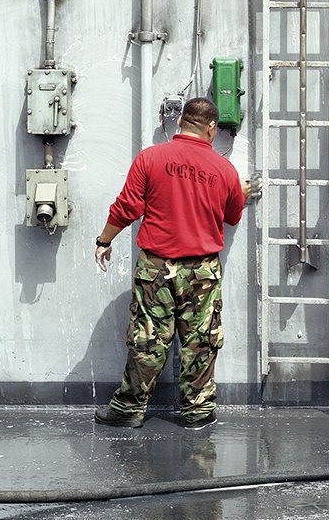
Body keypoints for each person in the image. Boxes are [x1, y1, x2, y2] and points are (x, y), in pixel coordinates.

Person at [94, 97, 252, 429]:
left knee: (147, 338)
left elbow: (127, 207)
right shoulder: (225, 171)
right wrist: (240, 191)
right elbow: (232, 216)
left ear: (180, 122)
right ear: (211, 128)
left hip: (155, 267)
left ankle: (128, 409)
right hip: (201, 271)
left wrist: (104, 240)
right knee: (200, 341)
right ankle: (196, 411)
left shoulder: (150, 158)